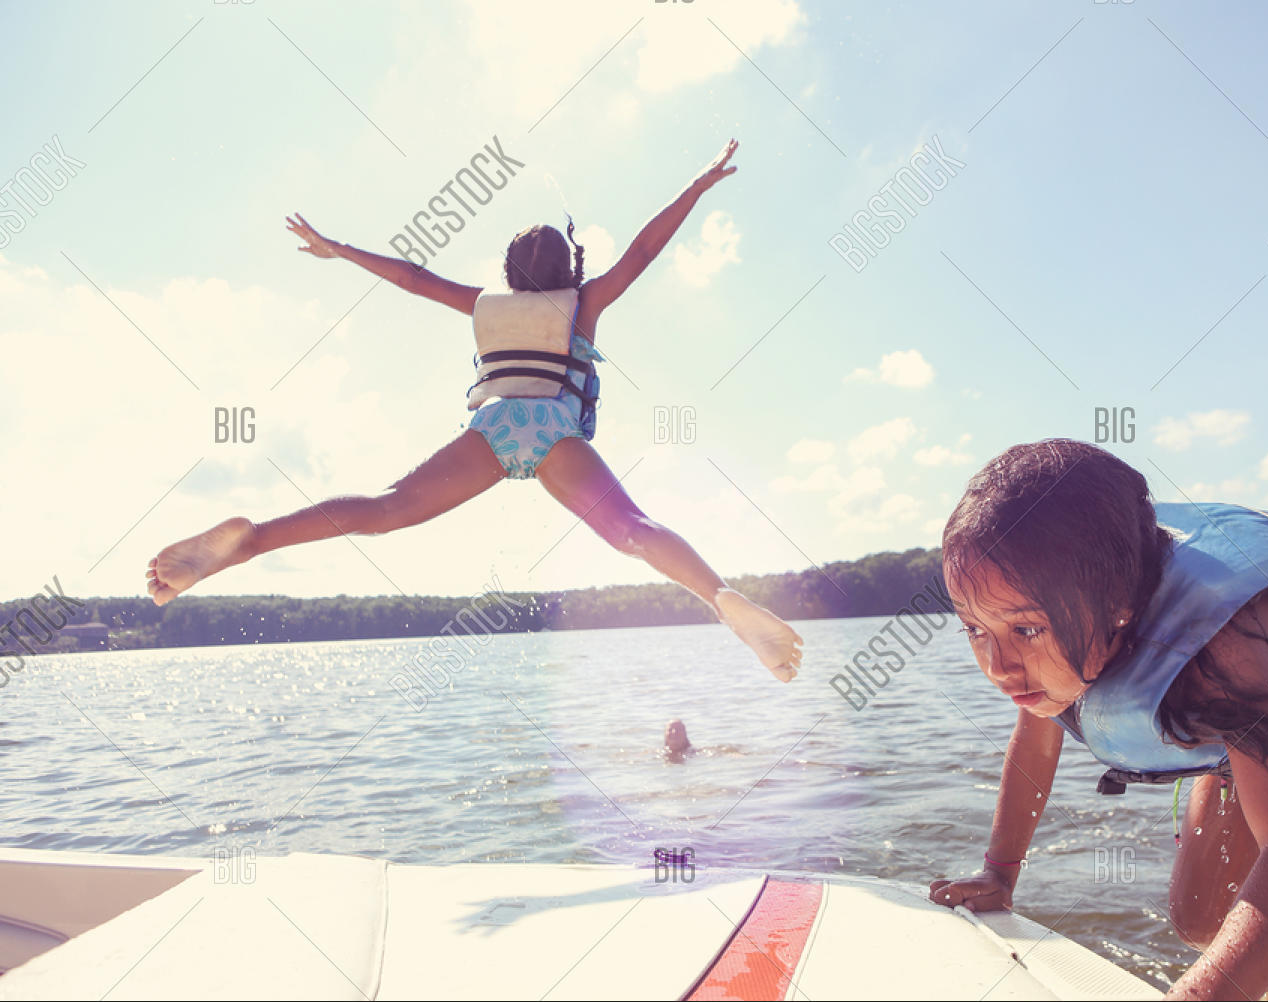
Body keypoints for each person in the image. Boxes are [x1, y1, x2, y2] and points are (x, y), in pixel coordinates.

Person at [145, 140, 802, 682]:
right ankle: (720, 597)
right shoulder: (585, 302)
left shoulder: (484, 304)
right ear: (568, 267)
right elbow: (644, 250)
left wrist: (339, 249)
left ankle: (253, 537)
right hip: (554, 433)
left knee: (384, 508)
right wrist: (697, 184)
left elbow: (410, 276)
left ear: (509, 273)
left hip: (493, 430)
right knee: (631, 528)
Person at [928, 438, 1268, 1000]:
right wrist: (999, 873)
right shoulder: (1062, 632)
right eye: (975, 629)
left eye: (1024, 630)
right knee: (1204, 918)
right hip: (1263, 712)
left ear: (1116, 605)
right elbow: (1037, 737)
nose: (997, 668)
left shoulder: (1218, 653)